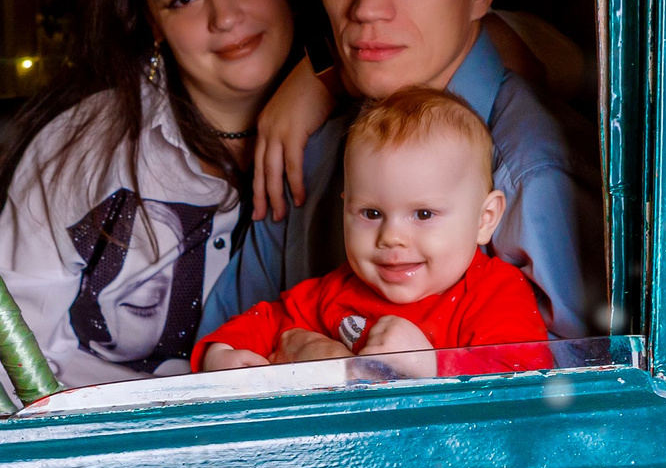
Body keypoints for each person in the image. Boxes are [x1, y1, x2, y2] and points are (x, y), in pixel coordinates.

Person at [216, 0, 595, 341]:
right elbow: (221, 346)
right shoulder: (304, 144)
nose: (365, 9)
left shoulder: (537, 175)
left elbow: (586, 379)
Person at [0, 0, 301, 388]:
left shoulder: (352, 123)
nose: (224, 17)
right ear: (154, 24)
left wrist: (319, 78)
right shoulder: (87, 146)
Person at [195, 88, 548, 374]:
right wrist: (220, 353)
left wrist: (432, 366)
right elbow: (267, 320)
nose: (391, 237)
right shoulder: (337, 290)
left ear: (485, 218)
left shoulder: (495, 294)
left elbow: (526, 383)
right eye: (372, 213)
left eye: (423, 214)